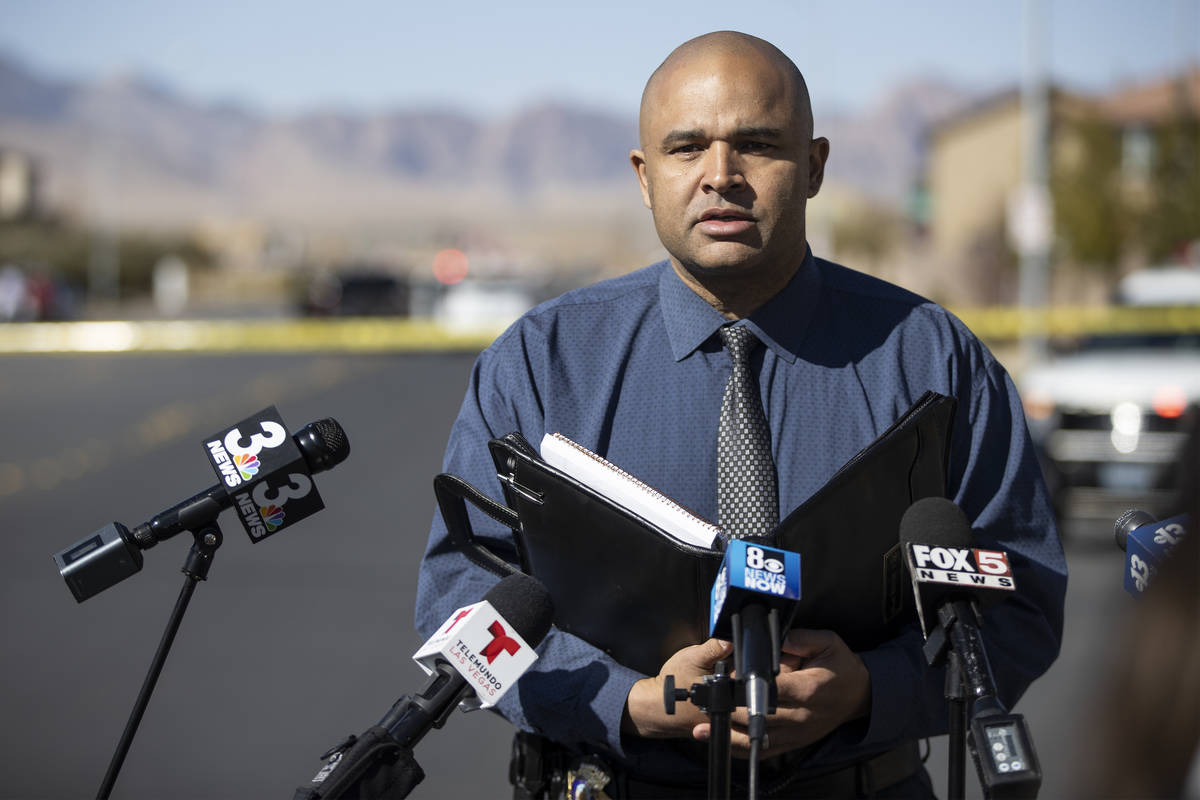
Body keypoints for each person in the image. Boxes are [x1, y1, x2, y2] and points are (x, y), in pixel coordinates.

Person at [416, 31, 1067, 798]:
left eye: (757, 144)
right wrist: (624, 702)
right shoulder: (541, 361)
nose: (720, 176)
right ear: (643, 174)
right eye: (686, 147)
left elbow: (1018, 597)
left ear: (816, 165)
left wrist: (870, 688)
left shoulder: (934, 362)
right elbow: (461, 599)